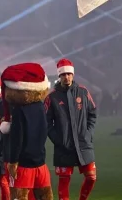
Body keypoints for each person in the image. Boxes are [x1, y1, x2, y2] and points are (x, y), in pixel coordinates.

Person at [45, 59, 97, 200]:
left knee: (91, 177)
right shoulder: (52, 97)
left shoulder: (83, 92)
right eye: (63, 74)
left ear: (73, 75)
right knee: (64, 181)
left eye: (69, 74)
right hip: (63, 146)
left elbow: (92, 113)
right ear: (59, 76)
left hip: (83, 144)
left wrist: (88, 133)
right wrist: (57, 139)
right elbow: (47, 122)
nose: (66, 77)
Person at [0, 63, 53, 200]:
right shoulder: (40, 106)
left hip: (24, 165)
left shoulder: (19, 110)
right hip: (40, 163)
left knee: (19, 196)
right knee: (44, 196)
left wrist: (13, 161)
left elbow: (18, 138)